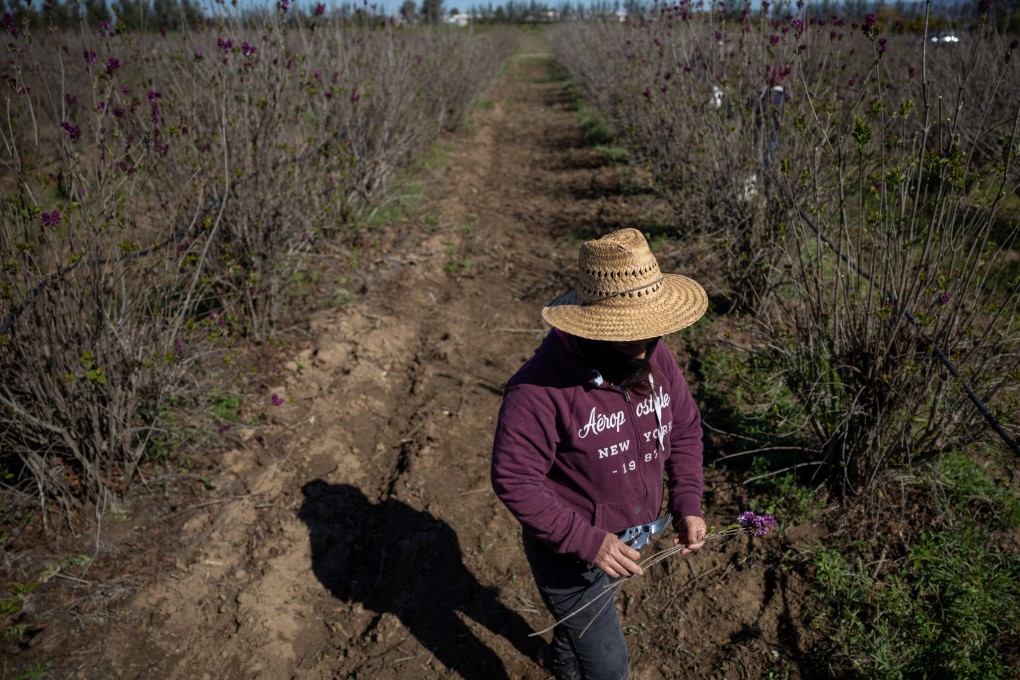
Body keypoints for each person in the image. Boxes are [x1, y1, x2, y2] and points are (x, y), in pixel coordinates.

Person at [490, 228, 709, 680]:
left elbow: (684, 427)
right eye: (634, 335)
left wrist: (687, 503)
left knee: (579, 637)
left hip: (628, 537)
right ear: (595, 331)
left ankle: (566, 663)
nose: (647, 345)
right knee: (608, 668)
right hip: (569, 553)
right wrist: (589, 542)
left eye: (653, 331)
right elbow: (515, 479)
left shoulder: (655, 357)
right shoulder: (538, 389)